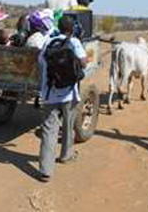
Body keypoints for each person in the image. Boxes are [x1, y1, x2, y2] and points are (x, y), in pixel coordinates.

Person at [38, 15, 87, 182]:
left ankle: (46, 170)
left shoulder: (48, 43)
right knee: (68, 124)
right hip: (69, 93)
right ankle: (66, 155)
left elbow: (41, 62)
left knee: (48, 130)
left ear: (58, 27)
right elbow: (84, 63)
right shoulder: (74, 43)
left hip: (50, 92)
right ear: (72, 29)